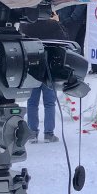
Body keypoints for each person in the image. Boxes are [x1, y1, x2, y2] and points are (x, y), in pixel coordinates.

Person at [20, 10, 67, 142]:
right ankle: (49, 134)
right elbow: (65, 40)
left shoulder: (26, 24)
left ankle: (32, 133)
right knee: (49, 103)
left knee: (32, 102)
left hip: (32, 67)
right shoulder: (53, 25)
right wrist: (58, 22)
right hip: (49, 68)